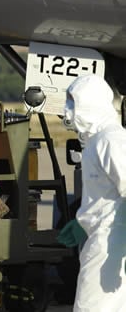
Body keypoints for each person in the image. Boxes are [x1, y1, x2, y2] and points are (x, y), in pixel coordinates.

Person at [57, 75, 126, 311]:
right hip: (102, 238)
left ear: (91, 104)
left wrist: (116, 260)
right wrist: (82, 222)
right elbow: (106, 197)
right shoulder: (96, 143)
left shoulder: (111, 140)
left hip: (111, 245)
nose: (68, 111)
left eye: (74, 103)